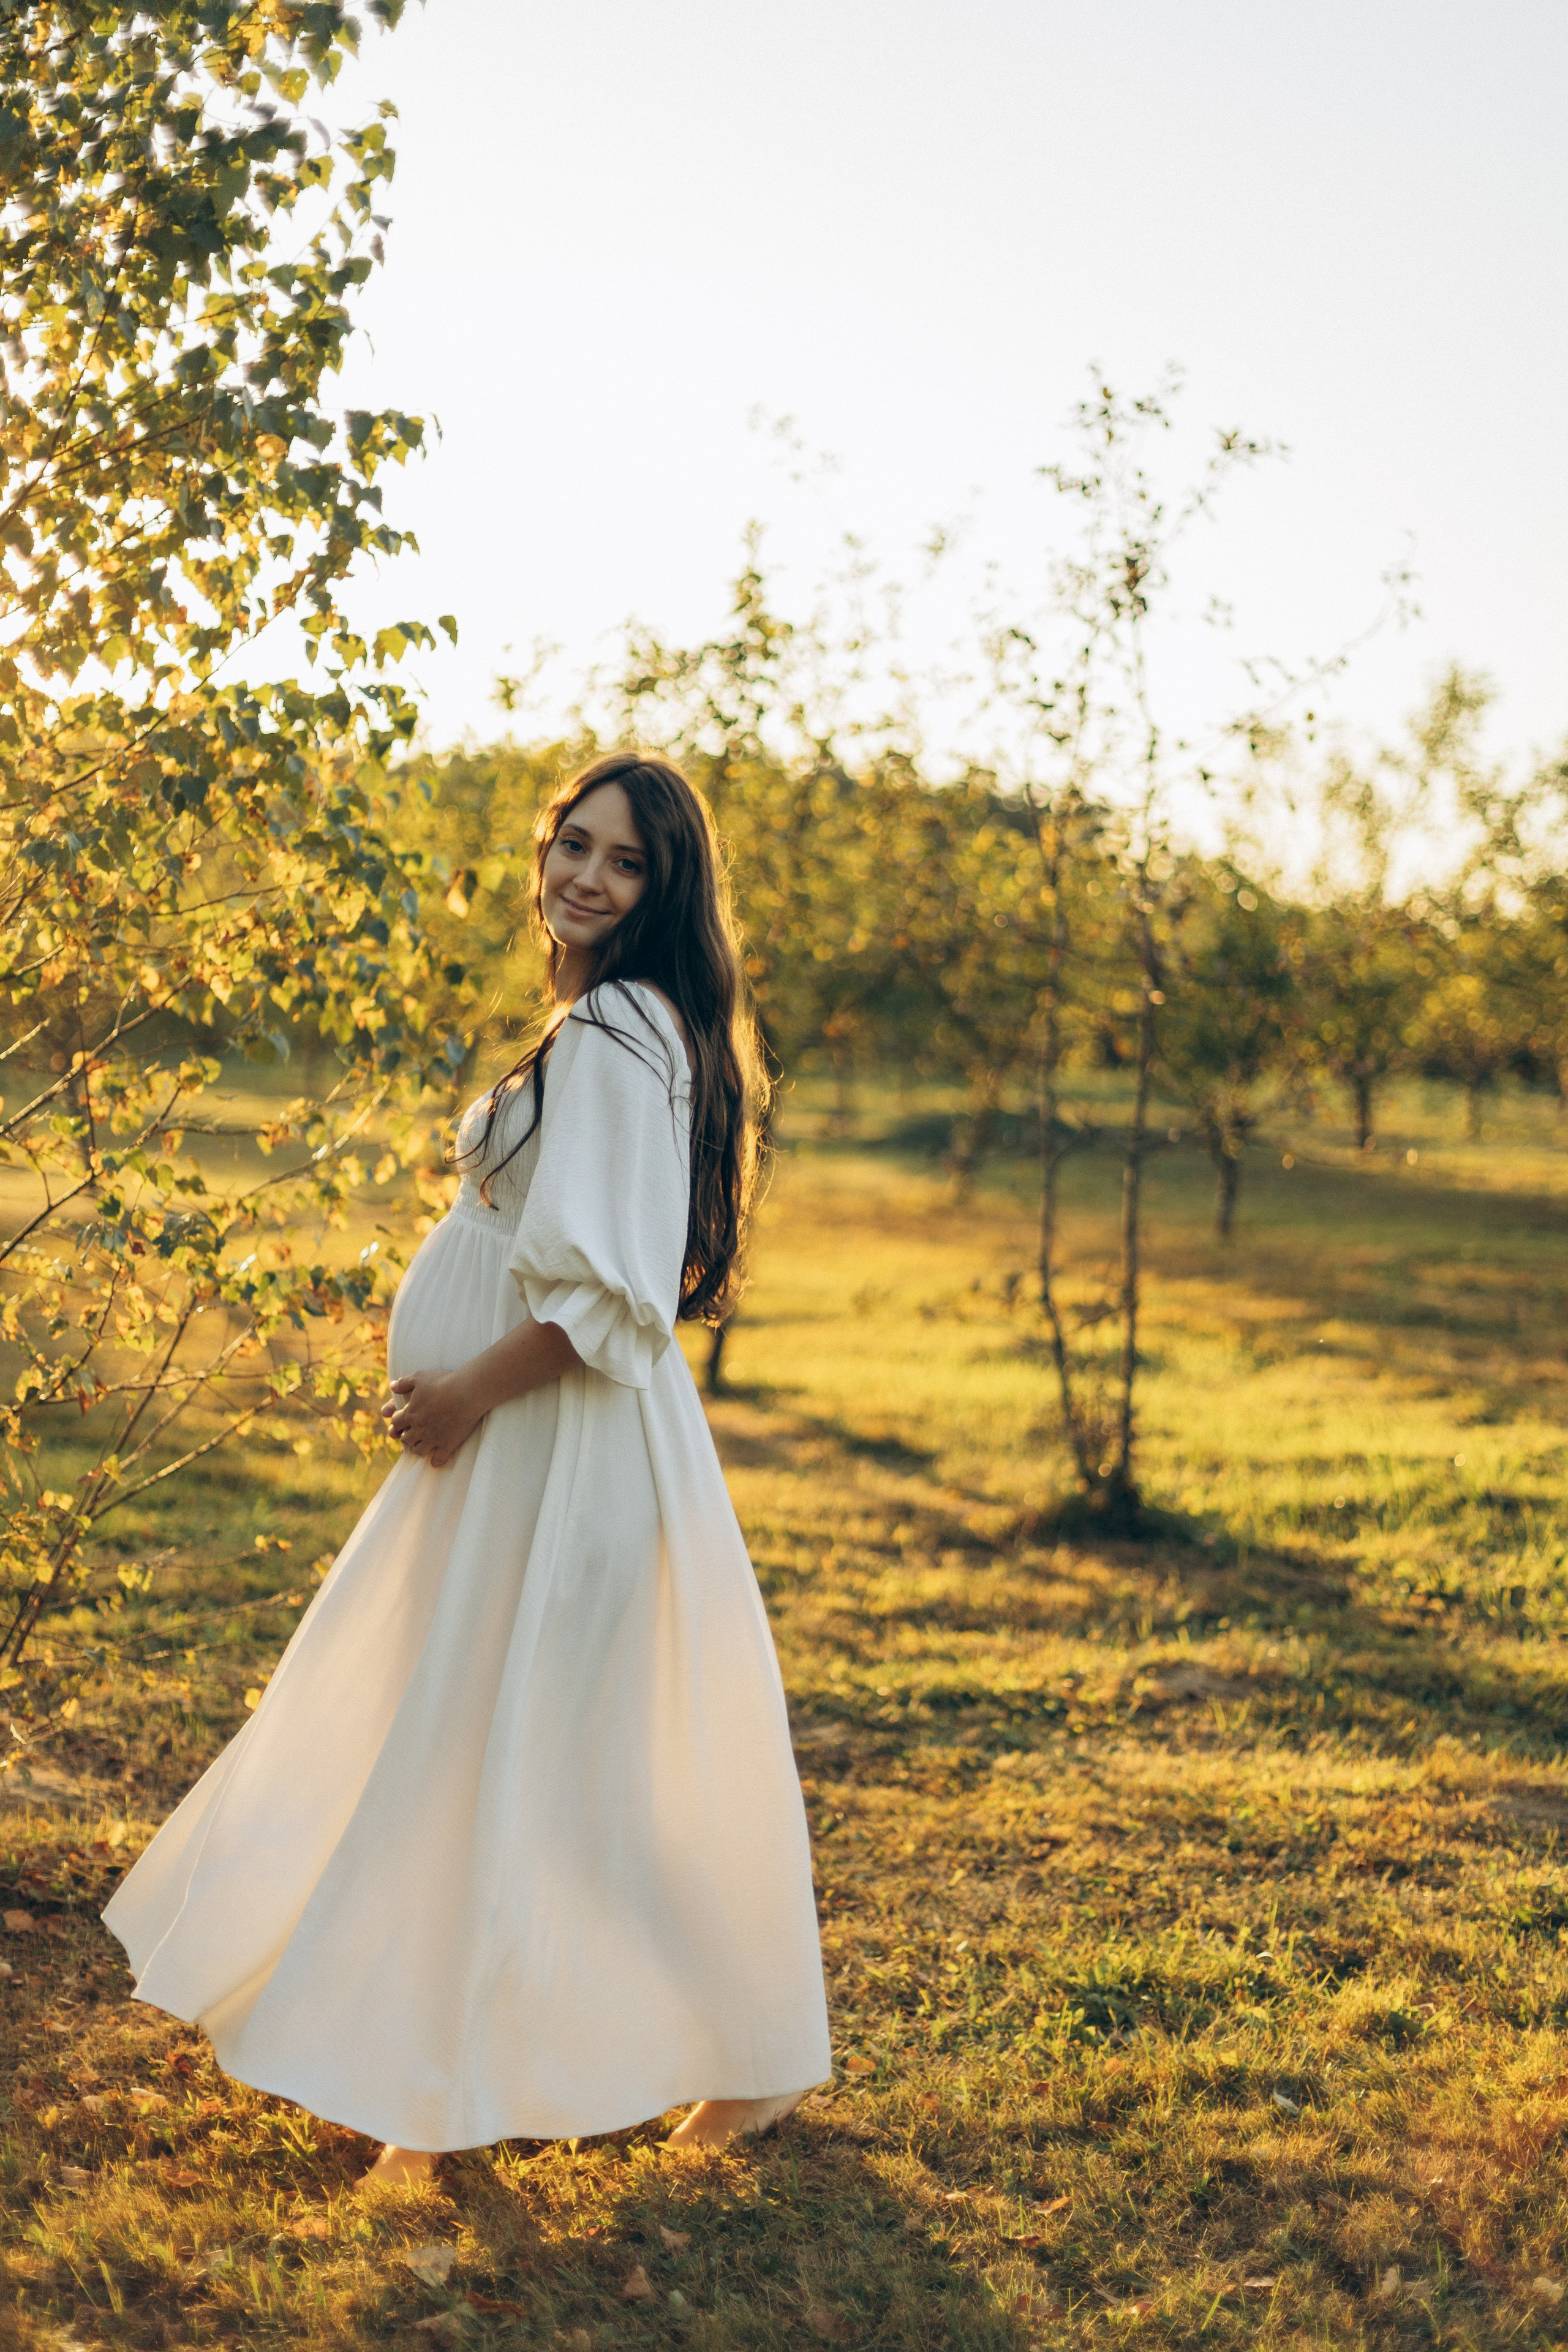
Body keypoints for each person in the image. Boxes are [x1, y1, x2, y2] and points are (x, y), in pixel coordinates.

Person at [104, 752, 832, 2184]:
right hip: (523, 1443)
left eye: (624, 862)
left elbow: (607, 1296)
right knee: (543, 1754)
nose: (585, 877)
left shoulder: (618, 1027)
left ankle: (428, 2107)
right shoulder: (610, 1022)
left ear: (661, 892)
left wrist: (461, 1398)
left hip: (545, 1444)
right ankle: (704, 2059)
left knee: (481, 1748)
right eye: (574, 844)